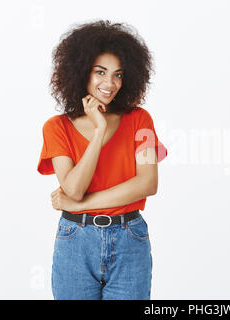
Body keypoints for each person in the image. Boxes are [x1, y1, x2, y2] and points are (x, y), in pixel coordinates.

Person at [37, 20, 168, 300]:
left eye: (118, 74)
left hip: (129, 239)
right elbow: (73, 189)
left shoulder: (140, 120)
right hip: (75, 242)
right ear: (80, 71)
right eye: (100, 72)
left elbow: (147, 183)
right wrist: (98, 132)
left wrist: (79, 204)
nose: (110, 84)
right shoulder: (56, 127)